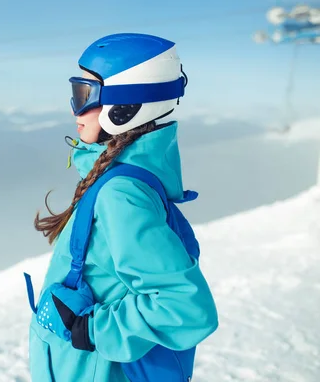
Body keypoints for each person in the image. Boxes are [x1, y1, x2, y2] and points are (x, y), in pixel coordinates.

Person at [28, 33, 219, 381]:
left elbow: (186, 307)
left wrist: (91, 329)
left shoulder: (121, 195)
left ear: (125, 107)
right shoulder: (120, 180)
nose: (76, 109)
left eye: (84, 94)